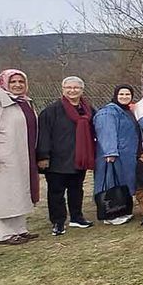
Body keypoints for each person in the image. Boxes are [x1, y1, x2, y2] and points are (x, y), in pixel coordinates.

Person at [0, 69, 40, 245]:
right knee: (3, 196)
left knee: (19, 194)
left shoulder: (25, 102)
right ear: (4, 83)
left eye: (20, 82)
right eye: (13, 82)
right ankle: (4, 234)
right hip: (2, 158)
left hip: (22, 156)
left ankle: (19, 230)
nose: (17, 85)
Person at [37, 76, 96, 235]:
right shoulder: (51, 111)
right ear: (63, 89)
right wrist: (43, 156)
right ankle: (58, 221)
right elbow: (43, 134)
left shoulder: (88, 109)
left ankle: (77, 217)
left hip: (79, 157)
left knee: (77, 189)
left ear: (82, 90)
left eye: (76, 88)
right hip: (57, 159)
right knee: (56, 192)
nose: (72, 90)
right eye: (69, 87)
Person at [93, 85, 140, 226]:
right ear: (115, 95)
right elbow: (107, 132)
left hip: (126, 154)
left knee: (123, 184)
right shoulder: (108, 112)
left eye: (128, 94)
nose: (125, 97)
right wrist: (110, 152)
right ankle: (110, 214)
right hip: (114, 155)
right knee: (110, 184)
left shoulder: (125, 111)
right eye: (122, 94)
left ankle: (123, 210)